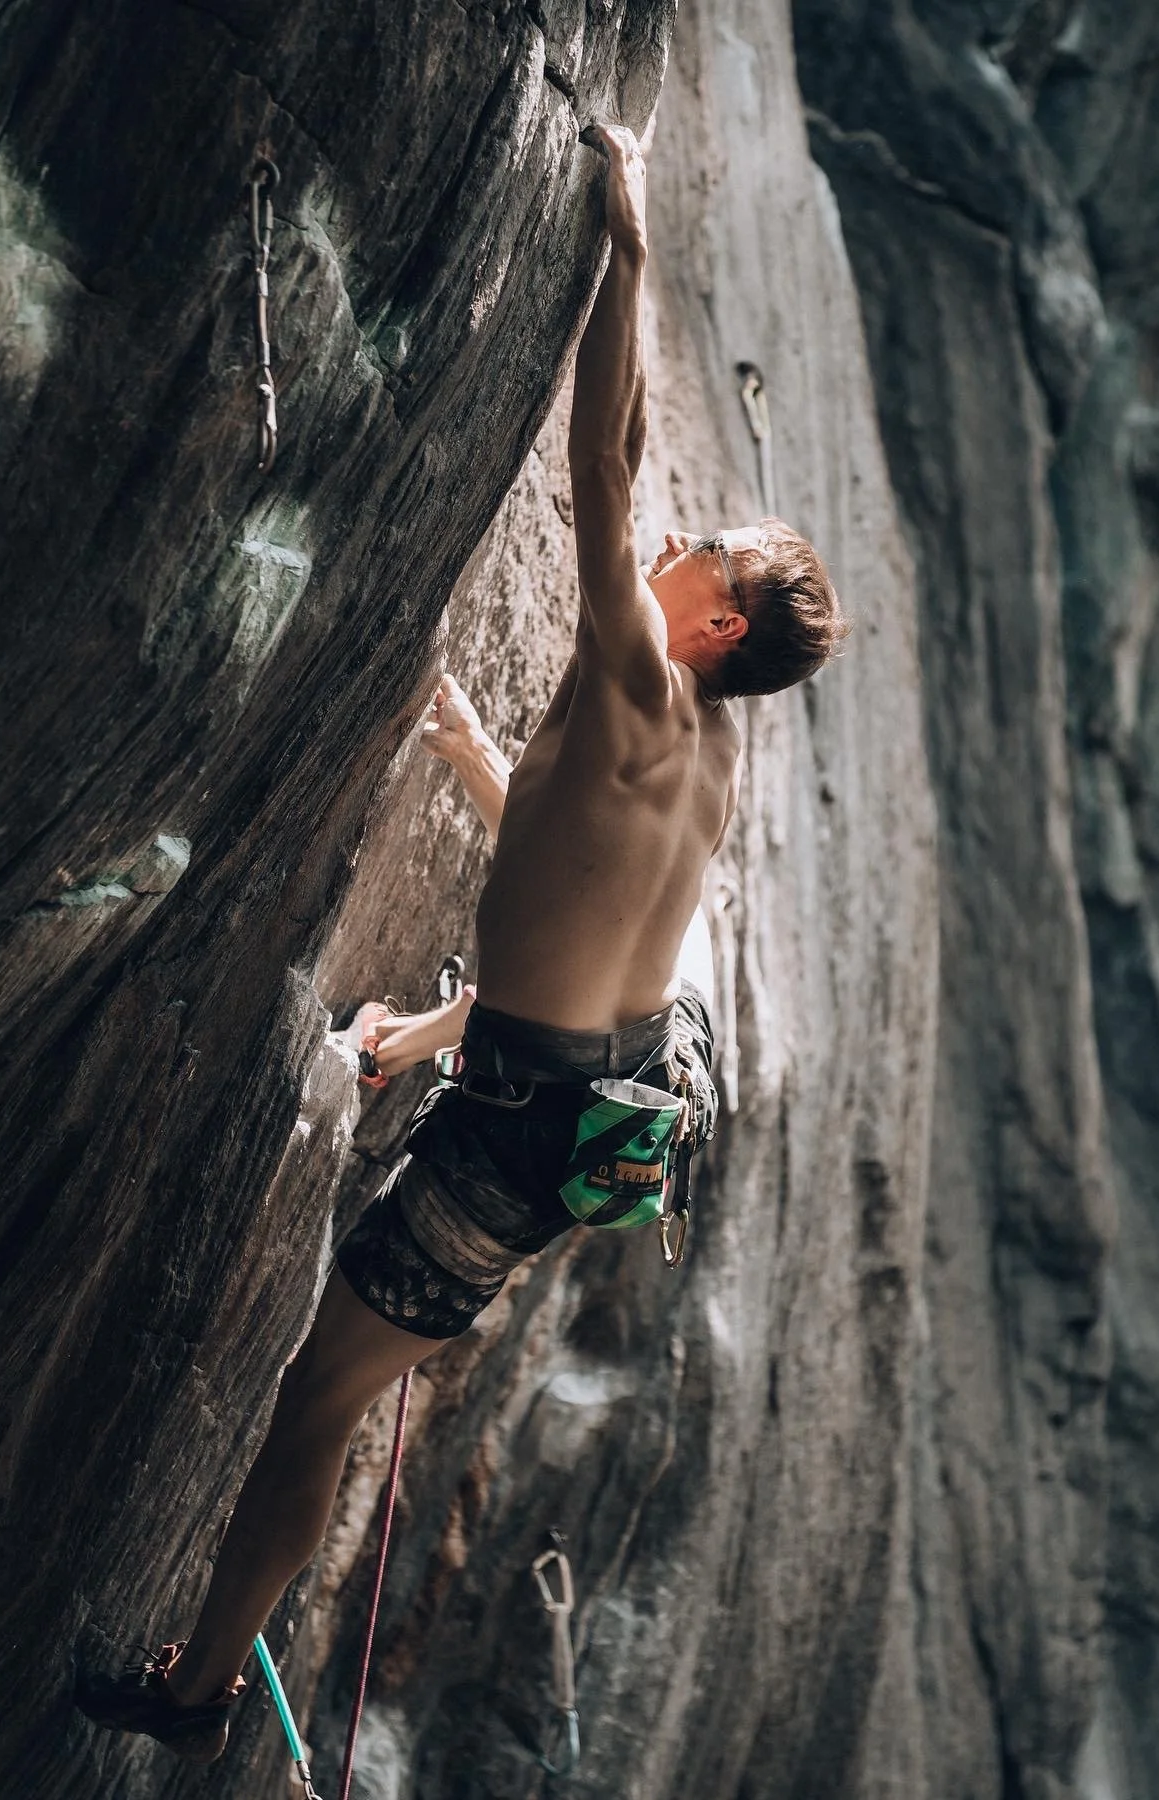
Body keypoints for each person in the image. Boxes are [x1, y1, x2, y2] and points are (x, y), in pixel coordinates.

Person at [76, 122, 846, 1763]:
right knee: (353, 1366)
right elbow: (573, 895)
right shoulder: (701, 747)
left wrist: (627, 250)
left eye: (701, 554)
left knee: (317, 1402)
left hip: (528, 1138)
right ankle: (208, 1671)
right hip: (600, 1099)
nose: (673, 539)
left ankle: (195, 1691)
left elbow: (605, 467)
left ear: (705, 621)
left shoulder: (645, 676)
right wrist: (462, 748)